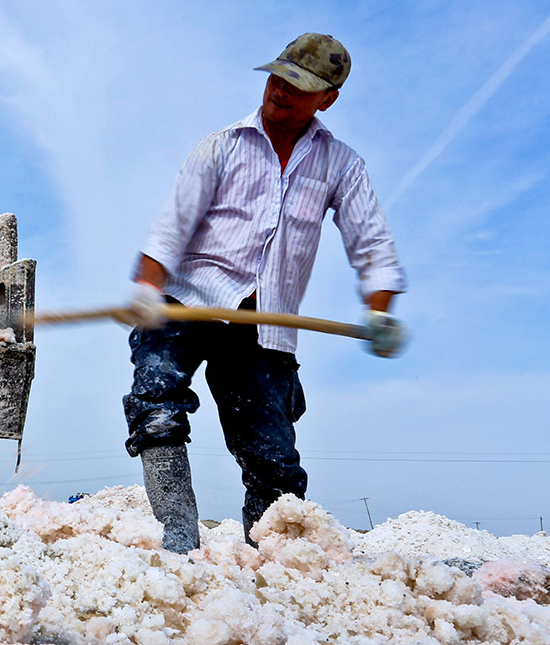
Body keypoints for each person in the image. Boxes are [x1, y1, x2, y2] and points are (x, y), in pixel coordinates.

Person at [123, 34, 408, 554]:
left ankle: (271, 561)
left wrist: (380, 309)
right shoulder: (222, 146)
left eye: (299, 86)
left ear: (327, 99)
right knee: (156, 402)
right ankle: (179, 538)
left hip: (264, 322)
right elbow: (172, 226)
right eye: (279, 77)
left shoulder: (341, 165)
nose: (281, 91)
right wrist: (147, 285)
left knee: (273, 462)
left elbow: (372, 242)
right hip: (187, 300)